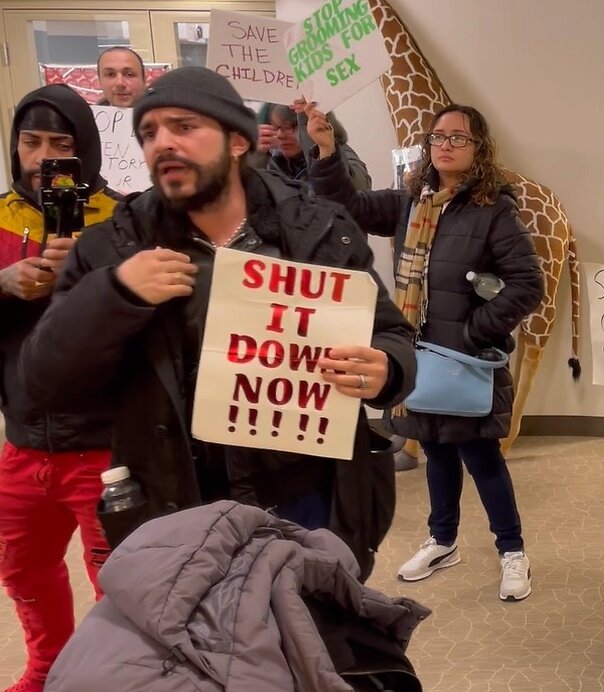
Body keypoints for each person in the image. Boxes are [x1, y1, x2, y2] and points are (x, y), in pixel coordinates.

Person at [17, 66, 416, 582]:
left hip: (310, 501)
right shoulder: (110, 251)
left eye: (183, 127)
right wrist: (114, 295)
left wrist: (386, 369)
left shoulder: (321, 232)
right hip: (176, 509)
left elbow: (392, 338)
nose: (162, 143)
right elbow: (40, 387)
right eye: (149, 132)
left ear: (236, 141)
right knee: (199, 659)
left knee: (315, 650)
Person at [305, 102, 543, 602]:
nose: (446, 145)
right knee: (433, 447)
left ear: (479, 149)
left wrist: (476, 331)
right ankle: (442, 539)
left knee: (481, 457)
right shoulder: (410, 202)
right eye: (439, 137)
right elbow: (345, 202)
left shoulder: (493, 208)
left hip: (465, 360)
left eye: (458, 138)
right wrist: (326, 149)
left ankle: (512, 550)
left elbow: (526, 284)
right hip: (418, 355)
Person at [0, 83, 119, 692]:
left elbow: (155, 320)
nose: (44, 157)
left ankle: (110, 676)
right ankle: (47, 666)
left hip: (102, 446)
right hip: (21, 442)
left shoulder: (125, 217)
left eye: (61, 145)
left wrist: (91, 275)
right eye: (31, 142)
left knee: (117, 583)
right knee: (22, 572)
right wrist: (4, 283)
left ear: (86, 151)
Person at [255, 101, 371, 191]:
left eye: (288, 127)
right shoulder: (274, 162)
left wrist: (317, 146)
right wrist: (254, 157)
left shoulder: (339, 155)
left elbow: (356, 192)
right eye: (276, 127)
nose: (280, 135)